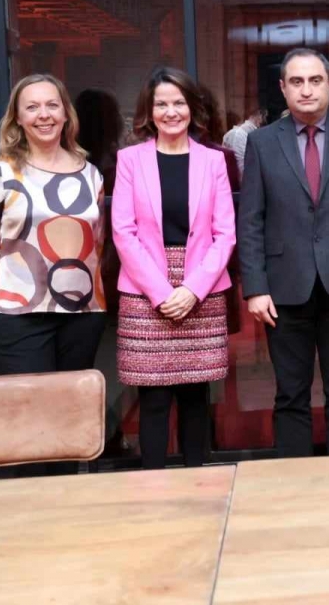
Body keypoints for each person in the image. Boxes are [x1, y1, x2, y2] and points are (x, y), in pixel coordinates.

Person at [0, 73, 107, 477]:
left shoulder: (90, 174)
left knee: (67, 432)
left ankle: (62, 512)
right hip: (17, 316)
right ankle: (18, 513)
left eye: (52, 105)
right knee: (25, 433)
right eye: (32, 107)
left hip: (82, 317)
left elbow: (98, 246)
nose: (44, 115)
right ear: (18, 118)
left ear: (66, 114)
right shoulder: (0, 172)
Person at [238, 48, 329, 458]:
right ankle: (293, 481)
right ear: (283, 88)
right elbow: (250, 220)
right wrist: (255, 287)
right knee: (290, 393)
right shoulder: (261, 143)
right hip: (284, 287)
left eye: (315, 80)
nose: (307, 90)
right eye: (297, 82)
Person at [113, 67, 236, 470]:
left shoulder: (213, 161)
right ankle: (154, 487)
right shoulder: (130, 160)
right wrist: (162, 292)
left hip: (201, 287)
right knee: (153, 399)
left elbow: (225, 234)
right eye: (161, 104)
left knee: (196, 398)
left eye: (178, 102)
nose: (171, 112)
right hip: (145, 289)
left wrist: (193, 289)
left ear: (192, 108)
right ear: (149, 111)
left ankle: (196, 484)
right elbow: (123, 232)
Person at [223, 108, 267, 178]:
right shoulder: (238, 135)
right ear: (260, 116)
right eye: (264, 117)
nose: (264, 121)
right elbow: (241, 169)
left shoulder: (242, 134)